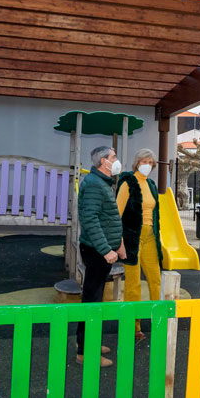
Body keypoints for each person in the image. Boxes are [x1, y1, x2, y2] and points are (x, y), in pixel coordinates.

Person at [76, 145, 126, 367]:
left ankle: (88, 343)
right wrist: (106, 249)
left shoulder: (102, 182)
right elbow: (91, 220)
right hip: (97, 251)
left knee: (93, 297)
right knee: (92, 300)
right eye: (113, 157)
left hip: (101, 248)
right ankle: (86, 352)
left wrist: (119, 244)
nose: (116, 160)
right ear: (103, 161)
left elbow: (107, 217)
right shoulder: (96, 184)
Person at [117, 148, 163, 342]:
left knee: (155, 279)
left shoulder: (151, 184)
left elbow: (155, 213)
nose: (147, 165)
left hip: (150, 236)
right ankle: (133, 326)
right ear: (137, 163)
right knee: (133, 284)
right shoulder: (128, 182)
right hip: (132, 239)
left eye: (150, 162)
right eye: (143, 161)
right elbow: (117, 211)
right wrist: (119, 241)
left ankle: (158, 320)